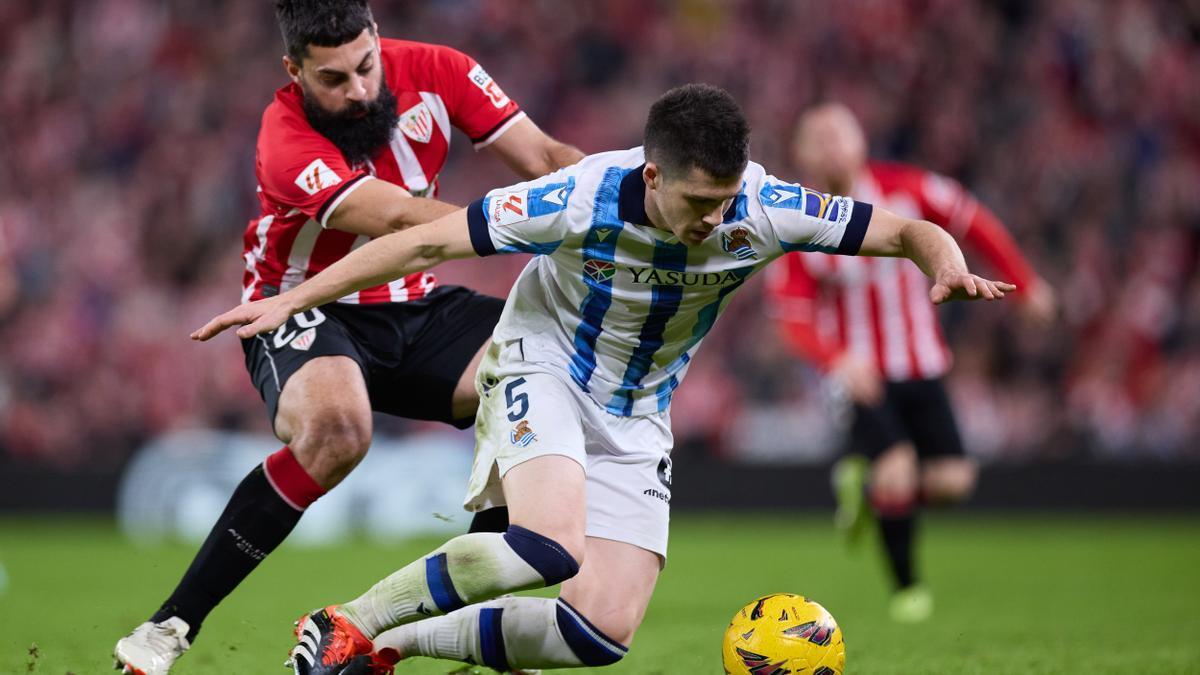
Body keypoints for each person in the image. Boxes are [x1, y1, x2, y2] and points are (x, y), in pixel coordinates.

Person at [192, 83, 1015, 674]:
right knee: (546, 546)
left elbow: (906, 229)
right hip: (541, 361)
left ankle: (393, 646)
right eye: (700, 202)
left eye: (727, 200)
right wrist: (291, 298)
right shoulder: (575, 197)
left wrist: (947, 262)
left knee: (600, 634)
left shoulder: (765, 206)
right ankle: (346, 623)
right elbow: (421, 245)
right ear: (652, 177)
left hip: (639, 410)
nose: (716, 221)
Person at [113, 1, 582, 673]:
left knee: (538, 373)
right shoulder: (284, 137)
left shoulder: (441, 70)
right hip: (304, 305)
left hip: (417, 308)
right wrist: (525, 225)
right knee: (338, 429)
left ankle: (459, 632)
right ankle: (166, 627)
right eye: (333, 79)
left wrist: (614, 204)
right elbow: (396, 219)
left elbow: (545, 156)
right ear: (293, 70)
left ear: (378, 41)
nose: (358, 90)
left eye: (366, 66)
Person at [765, 103, 1056, 623]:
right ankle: (908, 590)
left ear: (861, 140)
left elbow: (975, 221)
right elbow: (791, 317)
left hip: (922, 364)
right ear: (800, 153)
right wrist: (836, 360)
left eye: (840, 134)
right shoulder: (793, 221)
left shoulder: (909, 189)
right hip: (860, 377)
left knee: (952, 482)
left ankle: (866, 488)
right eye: (819, 138)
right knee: (897, 469)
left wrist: (1026, 283)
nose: (832, 145)